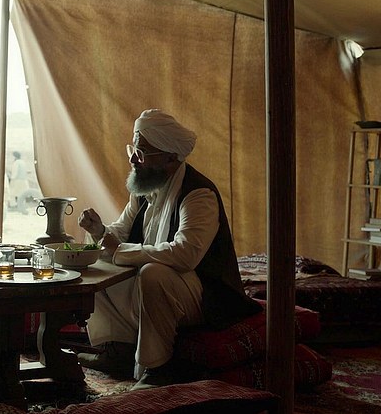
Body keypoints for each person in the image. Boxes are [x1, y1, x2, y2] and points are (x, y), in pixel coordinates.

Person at [76, 108, 261, 391]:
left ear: (170, 156)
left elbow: (185, 254)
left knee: (154, 273)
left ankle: (157, 368)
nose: (133, 160)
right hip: (165, 289)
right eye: (133, 150)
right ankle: (120, 351)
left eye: (141, 153)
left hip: (206, 295)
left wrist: (120, 250)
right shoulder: (145, 186)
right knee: (95, 265)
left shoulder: (198, 194)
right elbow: (121, 232)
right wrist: (100, 231)